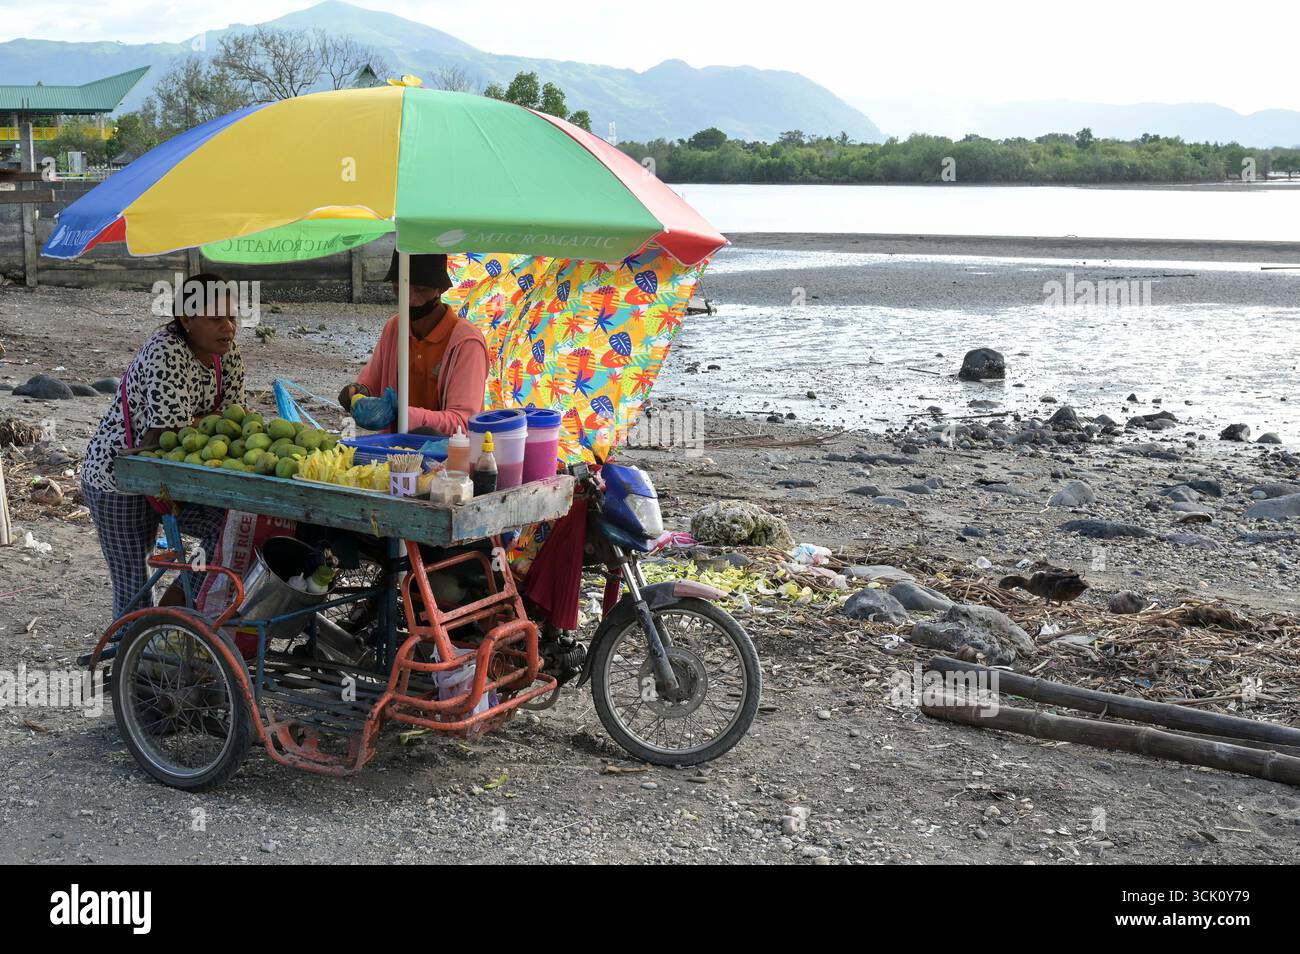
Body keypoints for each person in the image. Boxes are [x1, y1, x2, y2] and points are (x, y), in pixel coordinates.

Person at [82, 273, 247, 618]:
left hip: (175, 476)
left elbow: (235, 422)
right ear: (186, 319)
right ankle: (133, 657)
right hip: (119, 475)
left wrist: (206, 424)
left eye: (232, 317)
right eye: (216, 319)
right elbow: (171, 432)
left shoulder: (227, 356)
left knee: (228, 532)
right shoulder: (166, 351)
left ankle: (176, 619)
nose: (228, 327)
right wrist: (210, 423)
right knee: (133, 580)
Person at [339, 252, 488, 435]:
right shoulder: (395, 328)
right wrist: (357, 393)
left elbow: (463, 422)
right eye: (400, 287)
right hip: (395, 450)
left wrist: (402, 414)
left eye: (420, 289)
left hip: (445, 455)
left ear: (439, 290)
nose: (409, 299)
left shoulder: (466, 343)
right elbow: (372, 385)